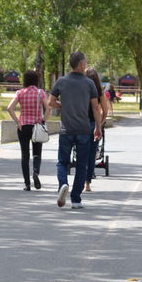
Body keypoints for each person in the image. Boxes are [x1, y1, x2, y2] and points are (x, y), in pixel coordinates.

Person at [49, 51, 102, 209]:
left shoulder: (61, 81)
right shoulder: (89, 83)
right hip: (84, 130)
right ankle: (76, 199)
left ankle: (63, 185)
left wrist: (63, 106)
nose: (85, 64)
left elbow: (51, 102)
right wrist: (98, 127)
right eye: (84, 62)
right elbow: (95, 108)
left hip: (66, 129)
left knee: (62, 162)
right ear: (80, 64)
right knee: (82, 164)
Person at [6, 70, 50, 191]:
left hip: (23, 126)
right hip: (36, 126)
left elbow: (9, 108)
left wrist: (18, 121)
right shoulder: (40, 93)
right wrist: (43, 120)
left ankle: (27, 184)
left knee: (25, 155)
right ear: (36, 80)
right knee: (37, 153)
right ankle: (35, 172)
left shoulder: (20, 93)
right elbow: (48, 108)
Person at [84, 68, 108, 192]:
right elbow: (105, 111)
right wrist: (100, 124)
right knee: (92, 153)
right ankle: (87, 183)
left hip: (81, 124)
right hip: (94, 124)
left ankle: (83, 180)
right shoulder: (100, 93)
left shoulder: (82, 90)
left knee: (82, 153)